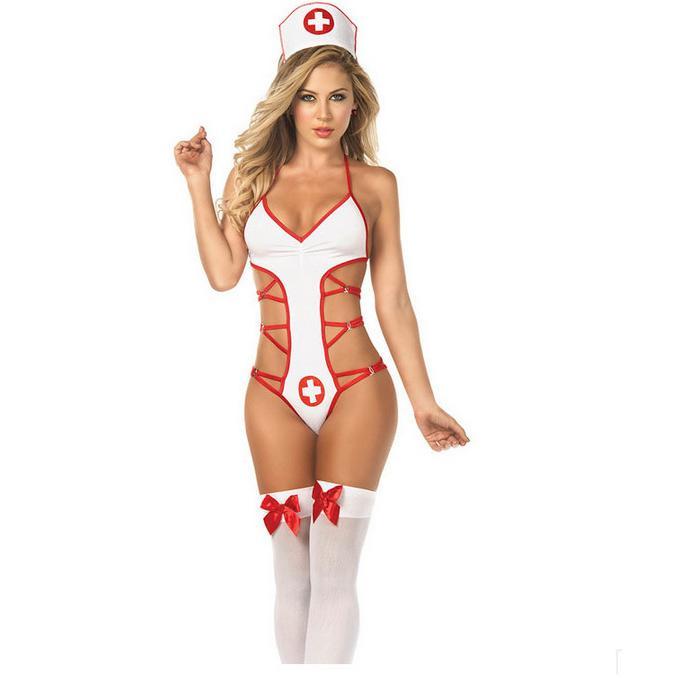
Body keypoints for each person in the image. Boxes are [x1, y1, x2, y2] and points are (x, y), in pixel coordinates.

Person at [173, 2, 469, 664]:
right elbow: (223, 275)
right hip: (270, 391)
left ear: (356, 104)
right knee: (290, 575)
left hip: (357, 388)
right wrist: (198, 184)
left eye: (337, 96)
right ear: (288, 101)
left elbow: (393, 298)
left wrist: (423, 402)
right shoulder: (249, 178)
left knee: (334, 574)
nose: (323, 112)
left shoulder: (376, 185)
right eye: (308, 96)